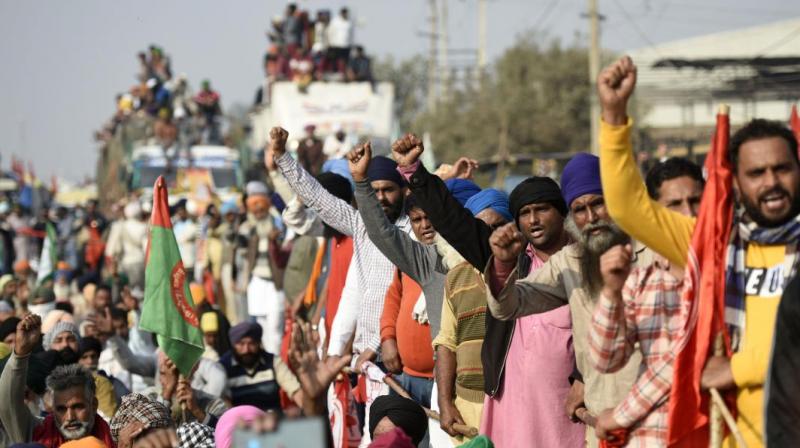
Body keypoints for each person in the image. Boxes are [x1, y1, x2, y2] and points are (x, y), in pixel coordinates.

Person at [598, 55, 800, 448]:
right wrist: (614, 116)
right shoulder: (713, 244)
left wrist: (737, 368)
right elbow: (628, 207)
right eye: (756, 174)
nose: (772, 182)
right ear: (734, 184)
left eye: (783, 168)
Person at [392, 133, 584, 446]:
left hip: (573, 409)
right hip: (514, 409)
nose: (533, 220)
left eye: (542, 210)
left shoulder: (587, 266)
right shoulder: (510, 262)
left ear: (562, 214)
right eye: (524, 212)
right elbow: (454, 221)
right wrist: (415, 170)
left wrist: (585, 380)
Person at [484, 152, 644, 446]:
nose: (592, 217)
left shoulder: (650, 254)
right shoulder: (570, 262)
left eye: (598, 203)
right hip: (599, 424)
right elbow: (512, 304)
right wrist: (503, 266)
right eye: (580, 209)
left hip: (651, 417)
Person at [271, 127, 410, 375]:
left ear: (404, 191)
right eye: (374, 191)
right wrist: (282, 156)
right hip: (364, 357)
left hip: (399, 352)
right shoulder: (359, 225)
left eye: (388, 190)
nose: (381, 198)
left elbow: (406, 297)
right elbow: (317, 197)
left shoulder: (413, 232)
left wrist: (379, 344)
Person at [589, 155, 705, 446]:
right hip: (652, 437)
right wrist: (611, 291)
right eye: (675, 205)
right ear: (655, 213)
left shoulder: (729, 273)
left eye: (696, 201)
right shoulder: (641, 279)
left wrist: (622, 414)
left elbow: (691, 358)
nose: (688, 214)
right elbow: (606, 360)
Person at [0, 314, 115, 447]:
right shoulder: (38, 433)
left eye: (78, 407)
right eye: (61, 409)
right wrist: (20, 353)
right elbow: (8, 403)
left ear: (94, 405)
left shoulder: (115, 437)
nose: (70, 417)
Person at [238, 181, 287, 355]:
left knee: (275, 327)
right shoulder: (247, 227)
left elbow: (284, 248)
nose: (257, 210)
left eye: (260, 205)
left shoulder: (277, 223)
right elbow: (242, 252)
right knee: (261, 325)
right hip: (257, 281)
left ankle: (277, 362)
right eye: (254, 206)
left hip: (275, 282)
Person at [219, 321, 303, 412]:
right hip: (240, 422)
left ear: (259, 343)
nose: (246, 350)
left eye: (251, 344)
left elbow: (295, 390)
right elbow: (225, 403)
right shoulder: (223, 367)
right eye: (241, 344)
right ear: (233, 345)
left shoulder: (273, 362)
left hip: (273, 420)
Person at [327, 7, 354, 74]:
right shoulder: (335, 21)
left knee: (345, 61)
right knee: (335, 60)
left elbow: (351, 34)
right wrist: (330, 43)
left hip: (346, 45)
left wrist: (351, 44)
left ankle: (344, 73)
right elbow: (329, 32)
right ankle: (334, 72)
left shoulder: (349, 22)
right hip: (336, 44)